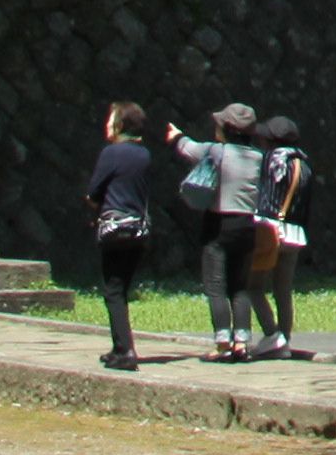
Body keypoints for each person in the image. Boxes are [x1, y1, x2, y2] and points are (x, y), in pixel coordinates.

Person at [161, 100, 267, 362]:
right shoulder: (259, 158)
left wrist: (176, 136)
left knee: (216, 286)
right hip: (247, 226)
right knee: (239, 287)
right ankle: (242, 343)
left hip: (219, 225)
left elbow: (187, 148)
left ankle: (222, 344)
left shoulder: (216, 151)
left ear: (226, 129)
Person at [85, 102, 157, 372]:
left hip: (114, 229)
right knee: (122, 287)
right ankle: (119, 346)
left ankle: (125, 350)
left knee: (112, 290)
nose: (107, 125)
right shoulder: (144, 155)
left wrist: (95, 204)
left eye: (111, 120)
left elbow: (93, 193)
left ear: (121, 125)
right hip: (138, 229)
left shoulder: (111, 153)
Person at [244, 114, 312, 360]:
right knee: (283, 290)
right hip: (295, 232)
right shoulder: (304, 166)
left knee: (253, 286)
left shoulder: (270, 160)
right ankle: (285, 341)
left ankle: (273, 335)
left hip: (269, 230)